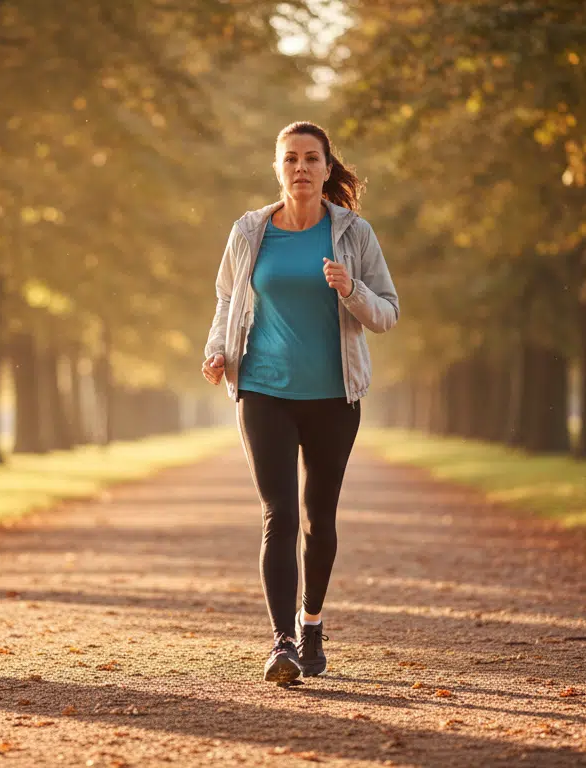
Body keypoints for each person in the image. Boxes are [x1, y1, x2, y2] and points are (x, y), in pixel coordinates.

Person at [201, 121, 400, 684]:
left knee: (320, 519)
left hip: (334, 396)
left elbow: (386, 314)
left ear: (328, 167)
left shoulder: (354, 234)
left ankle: (311, 623)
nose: (301, 169)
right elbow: (226, 299)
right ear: (277, 168)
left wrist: (350, 289)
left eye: (312, 159)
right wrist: (218, 352)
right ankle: (282, 643)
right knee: (278, 515)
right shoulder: (249, 231)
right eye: (290, 159)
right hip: (263, 390)